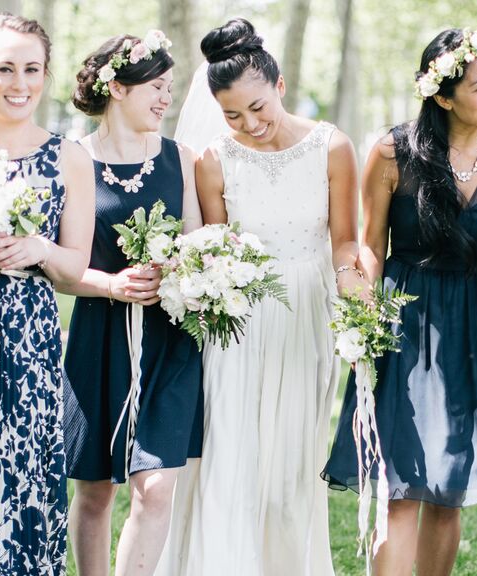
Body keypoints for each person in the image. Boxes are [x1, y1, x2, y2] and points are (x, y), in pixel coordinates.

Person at [155, 18, 360, 576]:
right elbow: (216, 247)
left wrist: (357, 299)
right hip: (239, 320)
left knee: (293, 460)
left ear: (281, 86)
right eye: (232, 115)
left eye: (258, 108)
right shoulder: (215, 161)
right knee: (231, 449)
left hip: (306, 313)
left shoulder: (332, 147)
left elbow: (345, 243)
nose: (250, 124)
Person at [324, 24, 477, 575]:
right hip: (406, 315)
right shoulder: (392, 153)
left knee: (449, 486)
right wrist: (360, 314)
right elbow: (369, 247)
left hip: (476, 316)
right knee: (401, 484)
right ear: (442, 96)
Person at [61, 31, 203, 576]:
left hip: (170, 339)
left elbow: (199, 240)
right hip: (99, 337)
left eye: (170, 87)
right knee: (94, 492)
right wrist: (111, 284)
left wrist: (183, 272)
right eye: (156, 86)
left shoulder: (181, 159)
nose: (166, 98)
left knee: (156, 488)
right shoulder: (73, 160)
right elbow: (60, 270)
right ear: (117, 88)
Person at [0, 13, 94, 573]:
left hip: (27, 345)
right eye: (5, 69)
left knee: (21, 480)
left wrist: (40, 251)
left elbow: (74, 268)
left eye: (32, 69)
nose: (20, 83)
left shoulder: (71, 157)